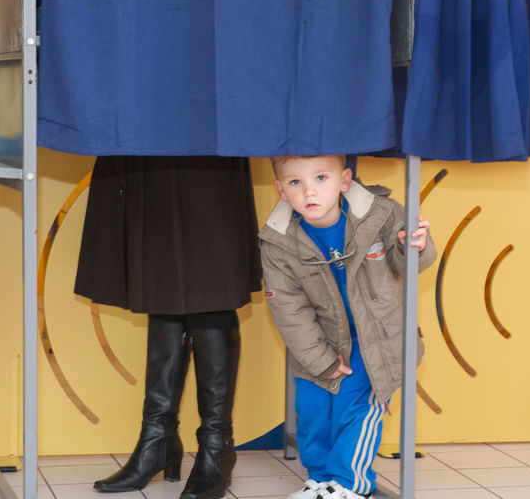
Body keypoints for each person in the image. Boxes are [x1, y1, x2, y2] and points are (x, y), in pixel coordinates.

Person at [76, 156, 262, 499]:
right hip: (148, 135)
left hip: (205, 132)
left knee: (212, 272)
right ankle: (158, 439)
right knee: (158, 267)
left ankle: (216, 445)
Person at [259, 155, 436, 499]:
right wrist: (320, 360)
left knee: (355, 411)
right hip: (321, 345)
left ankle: (350, 485)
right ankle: (321, 479)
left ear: (344, 181)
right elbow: (289, 309)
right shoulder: (277, 241)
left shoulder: (382, 214)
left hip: (378, 343)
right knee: (312, 411)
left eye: (321, 178)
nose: (309, 191)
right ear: (281, 190)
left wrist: (413, 245)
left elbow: (411, 263)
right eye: (296, 183)